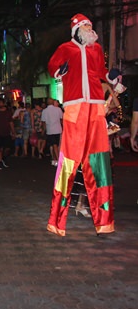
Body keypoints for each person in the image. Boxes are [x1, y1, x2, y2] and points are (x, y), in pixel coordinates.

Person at [46, 13, 120, 236]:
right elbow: (52, 67)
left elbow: (100, 72)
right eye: (85, 25)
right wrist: (61, 70)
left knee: (99, 163)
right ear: (77, 29)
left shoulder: (96, 49)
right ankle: (56, 221)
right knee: (68, 162)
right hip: (76, 108)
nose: (90, 28)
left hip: (96, 108)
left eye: (90, 25)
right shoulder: (65, 48)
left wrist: (112, 76)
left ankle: (105, 222)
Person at [0, 98, 15, 170]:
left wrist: (13, 132)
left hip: (6, 132)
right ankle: (0, 161)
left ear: (4, 103)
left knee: (7, 148)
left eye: (0, 103)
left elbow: (11, 122)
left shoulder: (8, 112)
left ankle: (4, 158)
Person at [41, 98, 63, 166]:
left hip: (50, 130)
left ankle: (56, 159)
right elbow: (61, 118)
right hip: (58, 129)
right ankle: (56, 159)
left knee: (53, 145)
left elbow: (43, 122)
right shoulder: (58, 109)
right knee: (57, 145)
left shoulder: (45, 111)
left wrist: (43, 130)